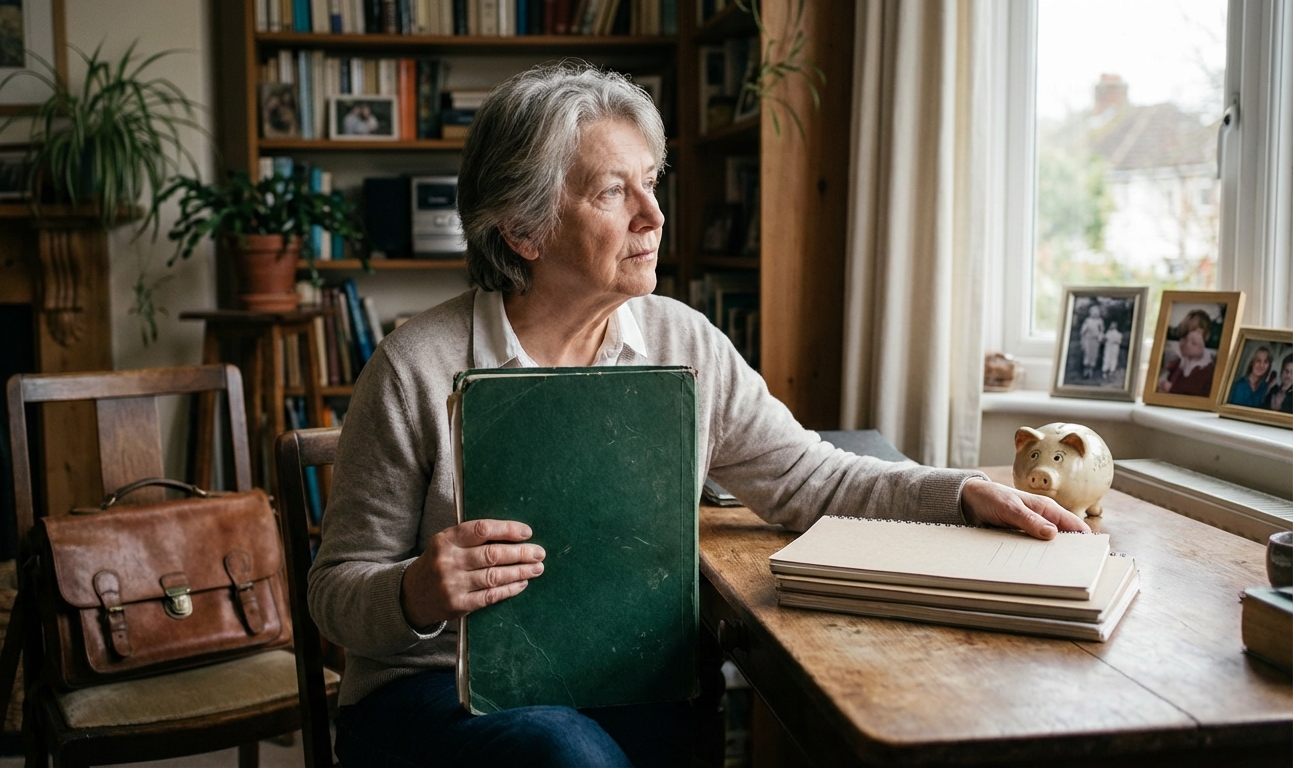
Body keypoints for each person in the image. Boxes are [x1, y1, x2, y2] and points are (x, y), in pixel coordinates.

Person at [308, 62, 1087, 768]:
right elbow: (336, 593)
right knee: (563, 753)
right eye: (614, 191)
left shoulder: (683, 341)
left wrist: (957, 494)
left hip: (620, 675)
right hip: (435, 695)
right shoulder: (415, 366)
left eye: (651, 183)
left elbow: (808, 477)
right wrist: (416, 590)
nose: (653, 215)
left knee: (681, 713)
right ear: (522, 228)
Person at [1157, 309, 1216, 396]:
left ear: (1205, 336)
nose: (1187, 344)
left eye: (1193, 341)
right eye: (1184, 338)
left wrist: (1172, 389)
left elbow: (1198, 395)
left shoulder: (1206, 370)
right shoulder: (1179, 363)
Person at [1078, 305, 1105, 380]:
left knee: (1094, 355)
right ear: (1091, 313)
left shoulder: (1100, 321)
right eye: (1093, 313)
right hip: (1088, 340)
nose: (1095, 314)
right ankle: (1086, 370)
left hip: (1095, 340)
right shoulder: (1088, 320)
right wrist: (1083, 337)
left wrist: (1100, 337)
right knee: (1087, 354)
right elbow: (1083, 331)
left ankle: (1091, 371)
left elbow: (1101, 331)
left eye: (1096, 313)